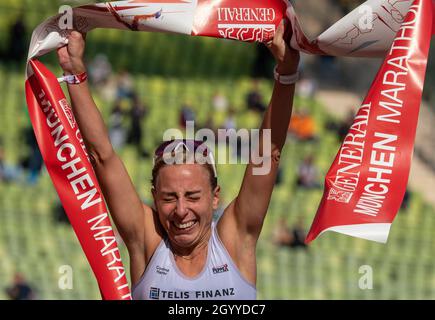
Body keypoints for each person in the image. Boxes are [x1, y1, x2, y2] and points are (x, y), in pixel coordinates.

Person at [56, 20, 299, 300]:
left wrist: (287, 74)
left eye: (193, 195)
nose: (181, 210)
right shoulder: (148, 238)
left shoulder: (236, 240)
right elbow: (102, 156)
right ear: (154, 199)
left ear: (215, 196)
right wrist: (74, 72)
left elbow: (267, 154)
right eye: (169, 198)